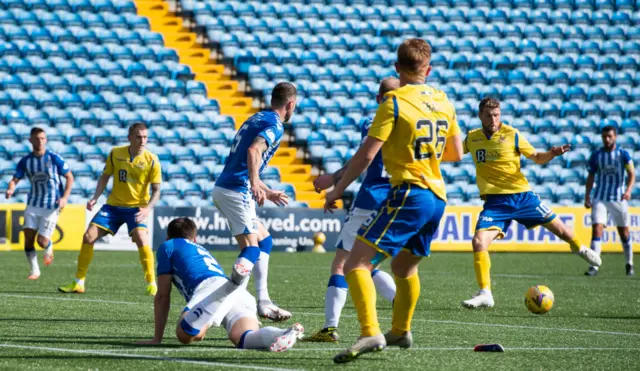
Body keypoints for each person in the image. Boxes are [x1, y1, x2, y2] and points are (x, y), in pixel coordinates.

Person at [324, 38, 464, 363]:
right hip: (437, 197)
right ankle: (400, 330)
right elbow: (456, 153)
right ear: (428, 69)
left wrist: (336, 188)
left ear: (397, 68)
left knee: (354, 263)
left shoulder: (394, 102)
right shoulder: (445, 101)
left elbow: (365, 156)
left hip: (409, 193)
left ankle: (370, 330)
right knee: (403, 266)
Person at [461, 97, 602, 309]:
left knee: (562, 231)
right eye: (489, 115)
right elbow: (451, 153)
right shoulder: (471, 138)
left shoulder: (512, 134)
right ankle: (485, 293)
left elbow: (536, 156)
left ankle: (580, 248)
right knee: (478, 242)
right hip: (495, 203)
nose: (493, 119)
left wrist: (551, 154)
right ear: (480, 115)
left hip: (522, 196)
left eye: (497, 114)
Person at [306, 78, 400, 343]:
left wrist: (334, 182)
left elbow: (364, 156)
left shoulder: (373, 122)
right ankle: (400, 304)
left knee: (342, 264)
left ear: (378, 98)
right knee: (365, 264)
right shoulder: (413, 122)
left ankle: (329, 328)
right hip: (398, 201)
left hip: (370, 199)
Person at [136, 217, 304, 352]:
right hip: (238, 294)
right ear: (195, 238)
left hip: (210, 287)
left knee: (184, 335)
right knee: (244, 337)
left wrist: (156, 338)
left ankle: (232, 284)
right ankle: (284, 333)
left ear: (167, 237)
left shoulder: (167, 246)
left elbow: (163, 295)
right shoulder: (199, 249)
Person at [212, 82, 295, 322]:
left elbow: (245, 158)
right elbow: (252, 151)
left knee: (263, 241)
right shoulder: (274, 124)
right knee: (250, 250)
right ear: (290, 104)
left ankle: (263, 302)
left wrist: (265, 191)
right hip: (235, 190)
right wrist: (256, 182)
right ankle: (216, 308)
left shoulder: (257, 118)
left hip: (230, 187)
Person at [58, 123, 161, 295]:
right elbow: (105, 176)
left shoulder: (152, 160)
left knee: (142, 239)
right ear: (129, 137)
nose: (142, 140)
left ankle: (151, 283)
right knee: (88, 236)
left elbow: (157, 191)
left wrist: (147, 209)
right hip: (113, 207)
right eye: (138, 136)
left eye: (145, 137)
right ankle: (78, 282)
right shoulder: (115, 153)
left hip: (137, 208)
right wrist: (95, 197)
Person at [5, 127, 74, 280]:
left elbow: (70, 177)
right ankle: (35, 270)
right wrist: (10, 189)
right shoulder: (26, 161)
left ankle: (48, 247)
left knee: (41, 242)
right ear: (30, 140)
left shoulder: (54, 158)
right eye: (37, 138)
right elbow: (15, 179)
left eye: (43, 138)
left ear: (46, 140)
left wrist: (64, 198)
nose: (40, 141)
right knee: (28, 237)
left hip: (51, 205)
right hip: (33, 204)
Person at [584, 125, 635, 276]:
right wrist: (587, 195)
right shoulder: (596, 155)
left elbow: (631, 174)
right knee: (597, 229)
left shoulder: (623, 154)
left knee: (624, 232)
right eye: (604, 137)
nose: (607, 139)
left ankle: (629, 263)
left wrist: (628, 191)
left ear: (615, 137)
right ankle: (594, 266)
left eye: (610, 136)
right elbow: (591, 176)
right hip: (600, 197)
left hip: (618, 198)